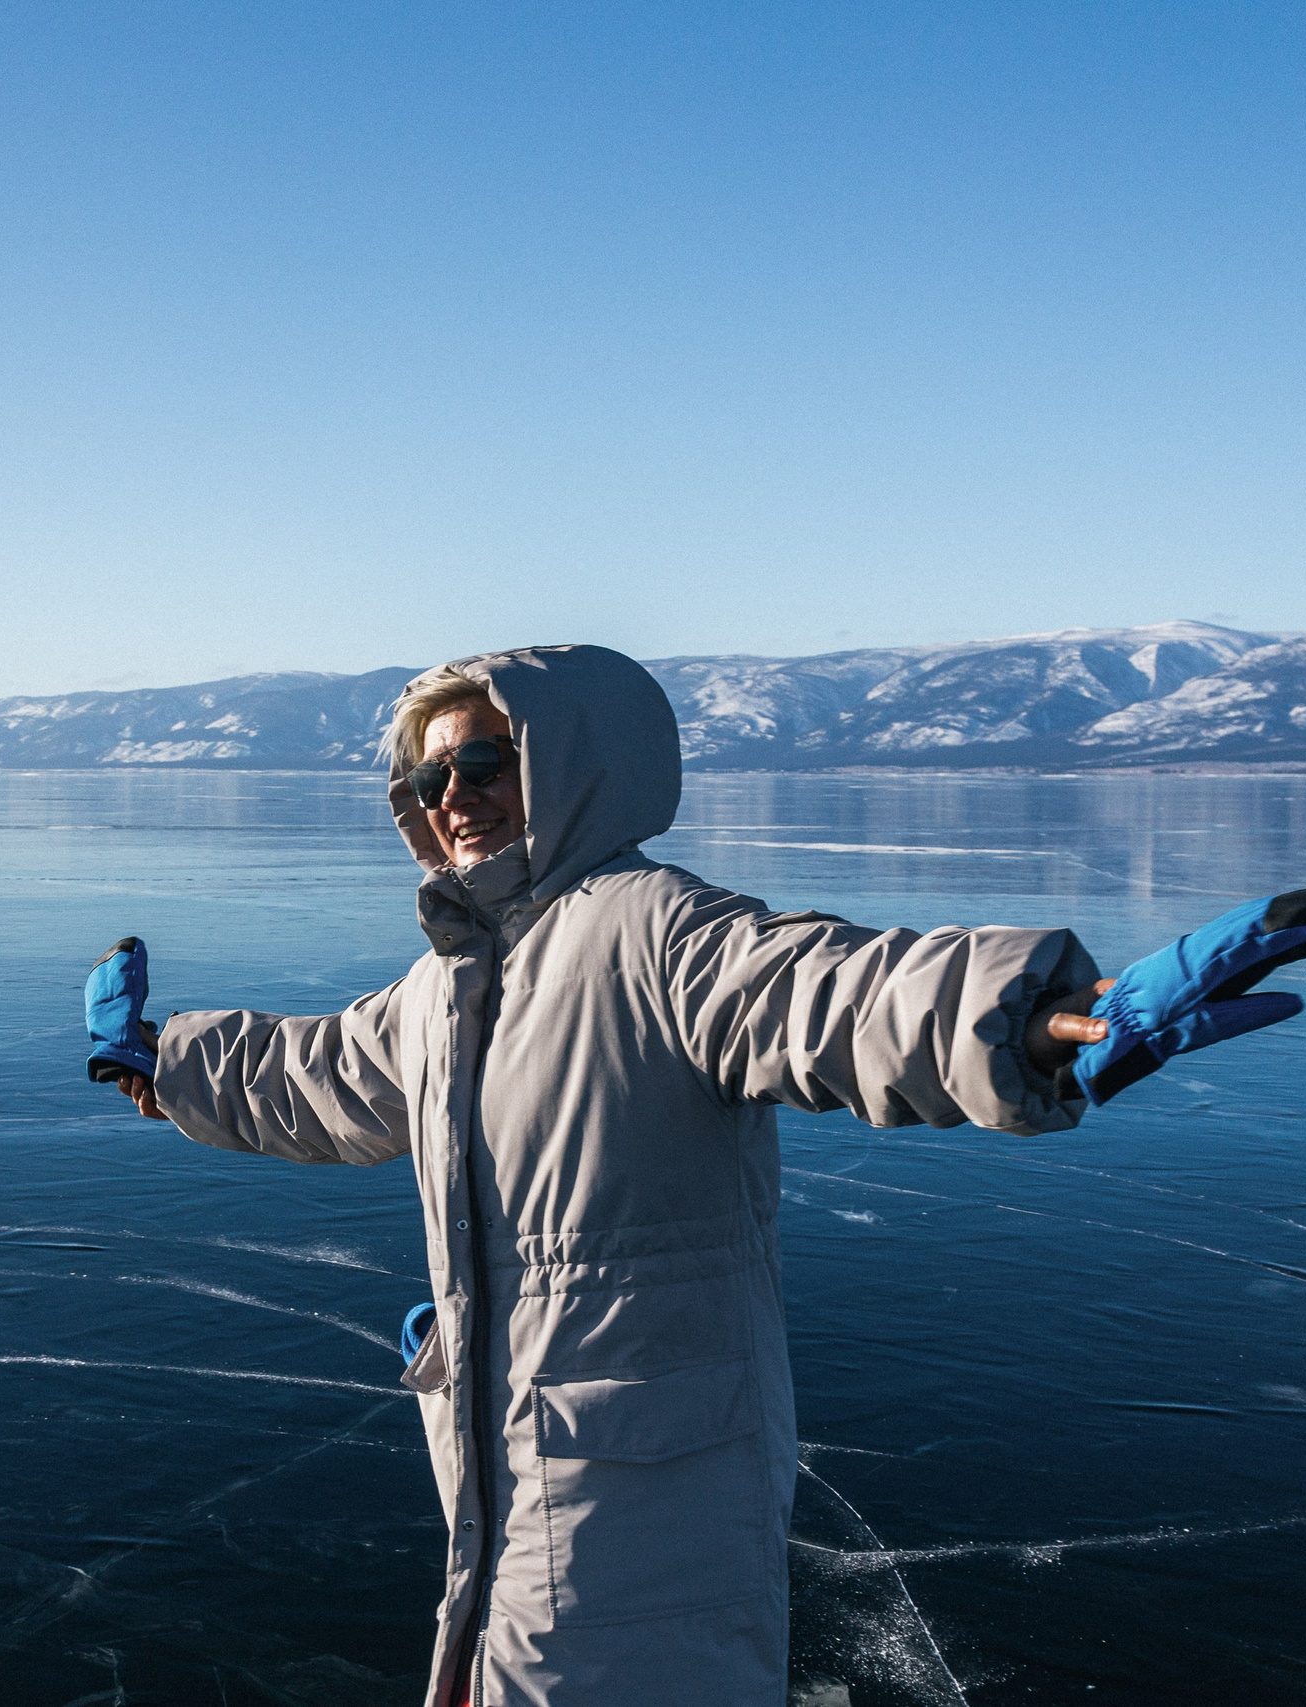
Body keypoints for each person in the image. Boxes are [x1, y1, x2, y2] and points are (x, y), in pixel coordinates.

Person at [104, 645, 1135, 1707]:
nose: (453, 798)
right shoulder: (449, 979)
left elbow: (825, 995)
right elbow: (326, 1073)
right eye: (428, 779)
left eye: (485, 763)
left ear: (571, 764)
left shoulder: (654, 928)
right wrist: (170, 1065)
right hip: (506, 1452)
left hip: (646, 1491)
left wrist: (1023, 1022)